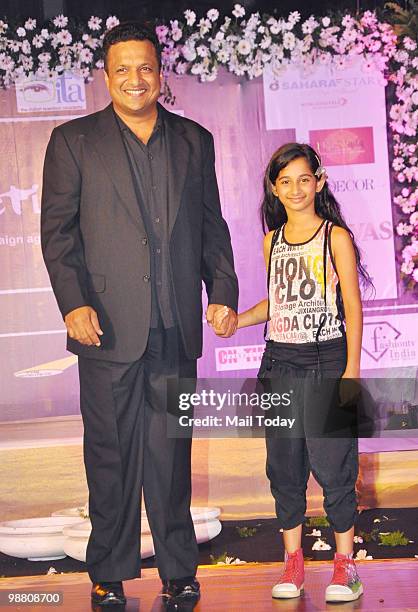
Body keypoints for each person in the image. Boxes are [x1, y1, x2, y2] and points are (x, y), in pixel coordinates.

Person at [41, 21, 238, 608]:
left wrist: (221, 290)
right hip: (105, 327)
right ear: (106, 76)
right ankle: (108, 571)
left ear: (160, 72)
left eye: (145, 67)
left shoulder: (193, 141)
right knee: (110, 455)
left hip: (174, 326)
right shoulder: (73, 141)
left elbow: (212, 227)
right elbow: (58, 235)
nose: (135, 79)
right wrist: (74, 303)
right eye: (122, 68)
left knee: (171, 456)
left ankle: (179, 570)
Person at [214, 142, 371, 603]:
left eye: (305, 179)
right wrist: (237, 320)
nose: (296, 188)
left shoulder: (335, 237)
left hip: (327, 361)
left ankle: (345, 567)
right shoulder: (272, 241)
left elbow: (352, 307)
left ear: (319, 182)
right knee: (284, 467)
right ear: (274, 188)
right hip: (280, 363)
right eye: (286, 181)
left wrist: (352, 370)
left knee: (334, 465)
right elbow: (277, 303)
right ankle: (294, 563)